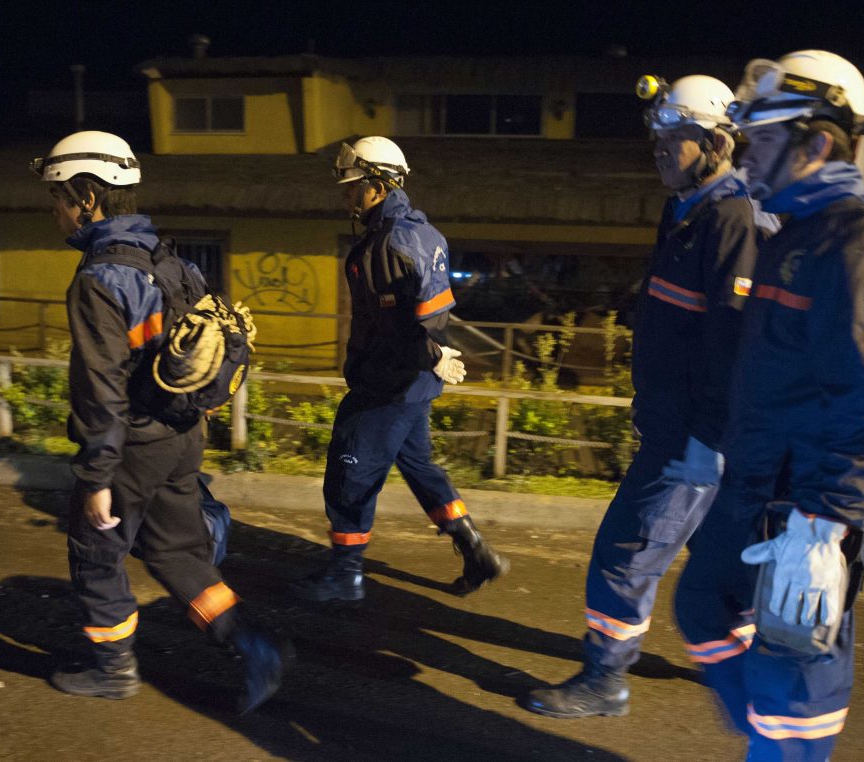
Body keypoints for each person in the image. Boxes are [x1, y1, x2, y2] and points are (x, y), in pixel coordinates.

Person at [673, 51, 864, 761]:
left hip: (816, 505)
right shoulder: (797, 232)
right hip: (760, 482)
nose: (746, 156)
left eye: (764, 140)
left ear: (817, 144)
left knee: (794, 669)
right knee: (702, 604)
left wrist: (827, 527)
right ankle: (767, 732)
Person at [521, 75, 776, 719]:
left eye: (676, 136)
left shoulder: (731, 219)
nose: (660, 147)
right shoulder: (686, 210)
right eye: (656, 135)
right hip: (683, 424)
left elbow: (733, 347)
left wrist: (705, 442)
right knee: (719, 556)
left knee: (627, 550)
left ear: (717, 144)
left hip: (694, 435)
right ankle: (749, 663)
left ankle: (605, 679)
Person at [31, 130, 287, 713]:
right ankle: (257, 647)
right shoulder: (172, 261)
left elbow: (100, 390)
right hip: (182, 434)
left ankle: (113, 671)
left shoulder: (98, 279)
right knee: (176, 553)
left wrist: (97, 476)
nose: (55, 211)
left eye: (59, 198)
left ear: (88, 198)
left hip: (132, 446)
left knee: (95, 552)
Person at [287, 136, 509, 602]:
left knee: (349, 475)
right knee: (420, 467)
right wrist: (435, 357)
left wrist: (429, 355)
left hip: (387, 383)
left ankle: (345, 575)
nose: (346, 196)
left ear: (380, 185)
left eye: (353, 187)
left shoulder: (387, 243)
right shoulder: (421, 233)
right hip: (416, 383)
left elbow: (399, 324)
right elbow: (432, 314)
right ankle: (475, 550)